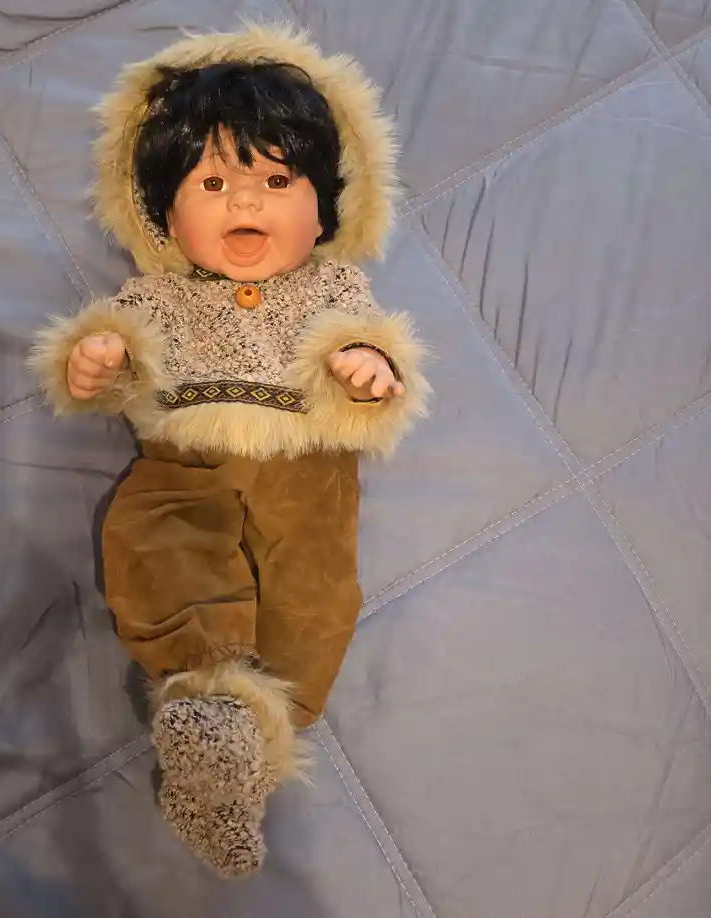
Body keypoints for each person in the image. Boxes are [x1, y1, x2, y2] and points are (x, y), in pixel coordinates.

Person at [28, 23, 430, 878]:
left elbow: (372, 345)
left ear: (326, 208)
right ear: (164, 215)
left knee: (313, 594)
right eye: (213, 183)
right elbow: (119, 352)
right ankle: (209, 711)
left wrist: (368, 369)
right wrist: (96, 357)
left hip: (307, 470)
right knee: (157, 547)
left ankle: (247, 744)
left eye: (277, 181)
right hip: (184, 464)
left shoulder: (331, 285)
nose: (246, 203)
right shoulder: (159, 294)